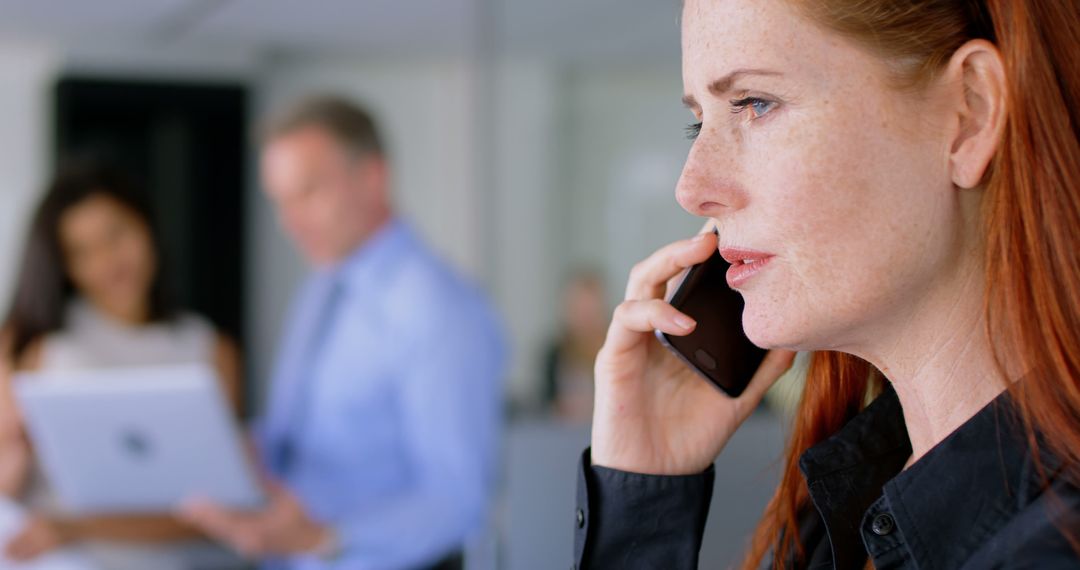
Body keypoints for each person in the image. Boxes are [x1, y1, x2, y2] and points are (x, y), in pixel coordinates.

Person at [574, 0, 1080, 569]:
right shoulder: (845, 516)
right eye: (699, 122)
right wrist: (645, 498)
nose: (691, 188)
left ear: (969, 113)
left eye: (754, 104)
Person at [180, 96, 507, 570]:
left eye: (308, 194)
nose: (289, 222)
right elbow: (303, 438)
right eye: (280, 201)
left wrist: (324, 538)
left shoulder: (439, 309)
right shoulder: (322, 283)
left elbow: (460, 500)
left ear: (372, 178)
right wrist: (245, 451)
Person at [0, 161, 243, 570]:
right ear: (65, 266)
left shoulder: (211, 351)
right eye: (82, 250)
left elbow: (225, 510)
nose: (109, 260)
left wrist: (75, 526)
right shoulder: (30, 348)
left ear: (146, 225)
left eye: (116, 234)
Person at [542, 269, 607, 423]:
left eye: (590, 306)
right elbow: (545, 403)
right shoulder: (554, 354)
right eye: (579, 305)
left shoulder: (614, 348)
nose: (585, 314)